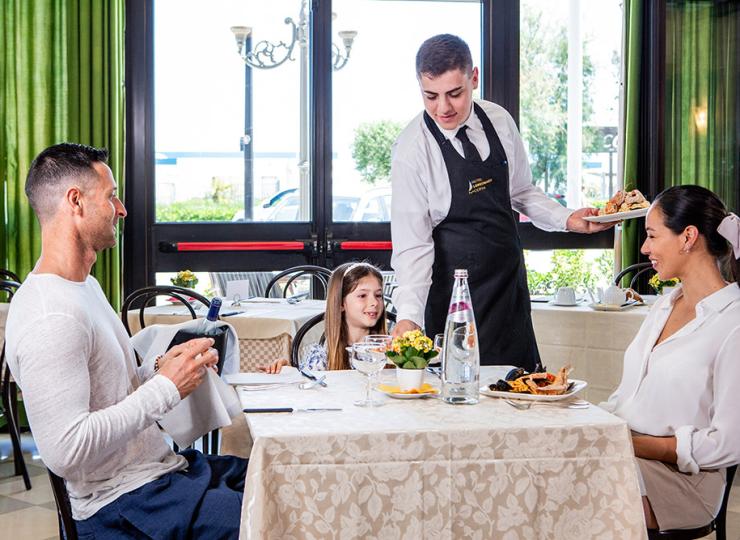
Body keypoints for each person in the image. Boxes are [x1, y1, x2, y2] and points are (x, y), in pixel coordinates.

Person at [5, 143, 248, 538]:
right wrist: (168, 388)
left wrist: (163, 368)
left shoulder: (84, 287)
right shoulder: (50, 316)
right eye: (111, 196)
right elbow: (66, 449)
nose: (121, 209)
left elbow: (111, 390)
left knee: (278, 477)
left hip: (160, 475)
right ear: (76, 202)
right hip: (124, 506)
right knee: (280, 514)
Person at [390, 34, 612, 370]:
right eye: (430, 96)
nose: (443, 108)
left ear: (473, 78)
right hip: (455, 301)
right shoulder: (411, 151)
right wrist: (408, 318)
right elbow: (413, 248)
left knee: (521, 391)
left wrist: (568, 219)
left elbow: (522, 192)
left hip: (508, 291)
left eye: (455, 93)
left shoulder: (499, 120)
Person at [600, 185, 740, 531]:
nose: (645, 248)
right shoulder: (665, 304)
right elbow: (627, 397)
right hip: (627, 455)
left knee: (570, 491)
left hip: (681, 481)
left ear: (687, 237)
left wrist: (641, 446)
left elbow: (729, 444)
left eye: (651, 235)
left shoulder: (732, 323)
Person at [259, 261, 387, 373]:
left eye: (378, 295)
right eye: (362, 296)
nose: (374, 302)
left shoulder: (391, 351)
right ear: (341, 303)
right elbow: (305, 385)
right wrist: (287, 370)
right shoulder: (323, 357)